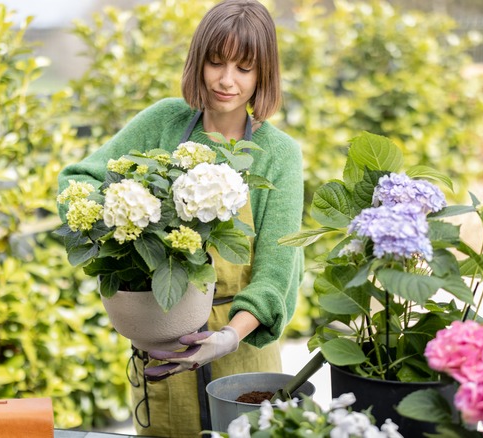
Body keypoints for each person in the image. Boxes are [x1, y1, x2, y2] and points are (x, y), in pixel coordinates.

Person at [57, 0, 304, 436]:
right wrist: (116, 220)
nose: (227, 80)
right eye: (216, 62)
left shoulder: (278, 153)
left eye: (244, 68)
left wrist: (226, 337)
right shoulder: (166, 123)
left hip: (242, 358)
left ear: (263, 73)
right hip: (163, 349)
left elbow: (276, 273)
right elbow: (79, 179)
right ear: (199, 62)